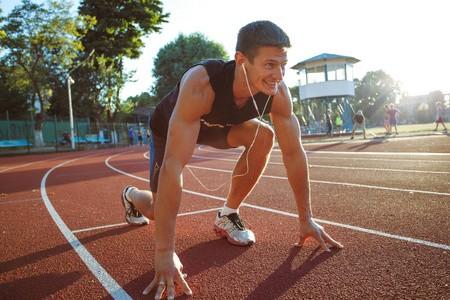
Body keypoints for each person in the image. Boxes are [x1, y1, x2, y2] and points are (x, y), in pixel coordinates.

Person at [120, 20, 343, 298]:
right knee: (156, 209)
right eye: (270, 65)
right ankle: (131, 195)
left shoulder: (277, 92)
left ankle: (228, 214)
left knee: (263, 135)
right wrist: (165, 251)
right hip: (170, 128)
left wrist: (305, 218)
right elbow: (173, 166)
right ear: (241, 60)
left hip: (218, 126)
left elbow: (293, 152)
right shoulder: (202, 84)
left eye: (283, 65)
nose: (278, 74)